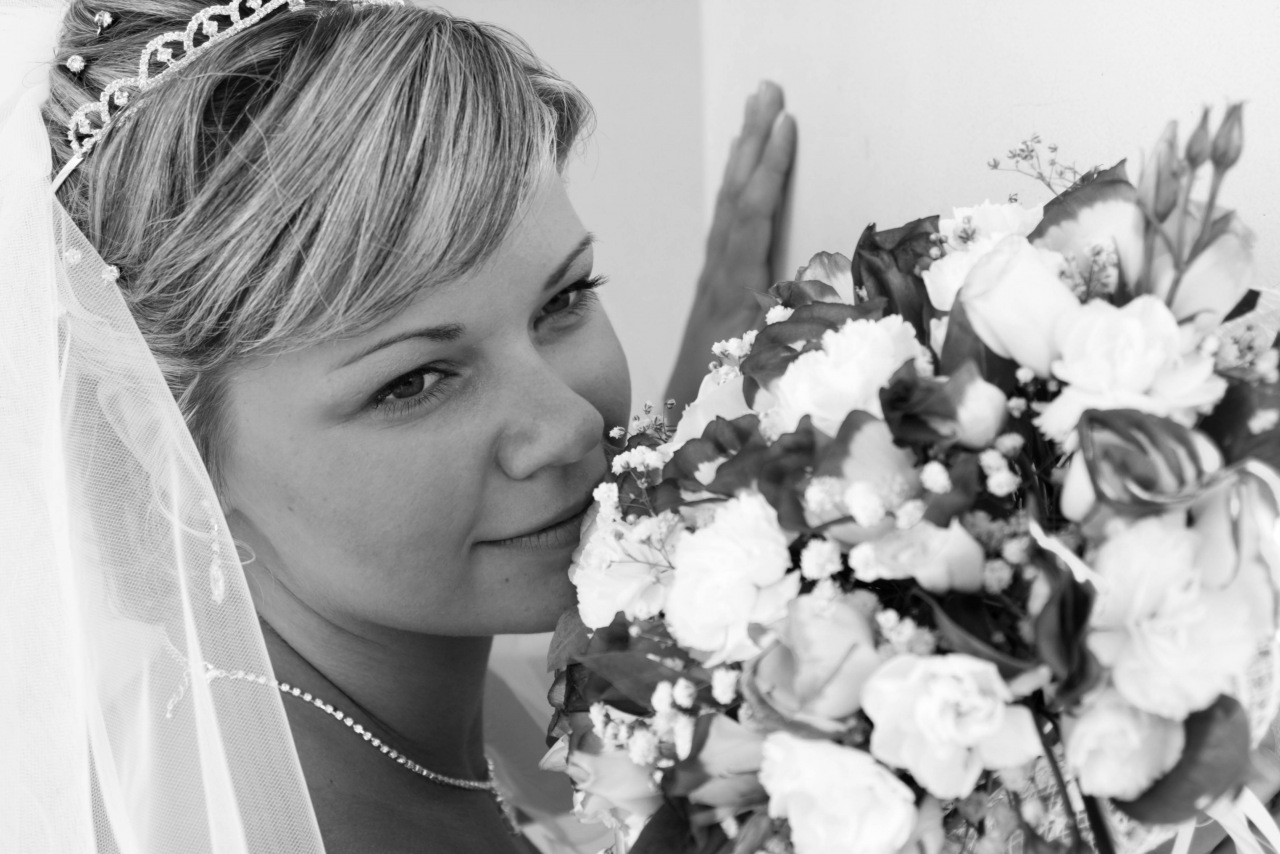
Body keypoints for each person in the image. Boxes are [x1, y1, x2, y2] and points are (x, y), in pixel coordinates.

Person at [0, 0, 795, 851]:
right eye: (414, 382)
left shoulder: (473, 712)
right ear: (166, 438)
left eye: (563, 300)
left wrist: (710, 411)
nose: (568, 427)